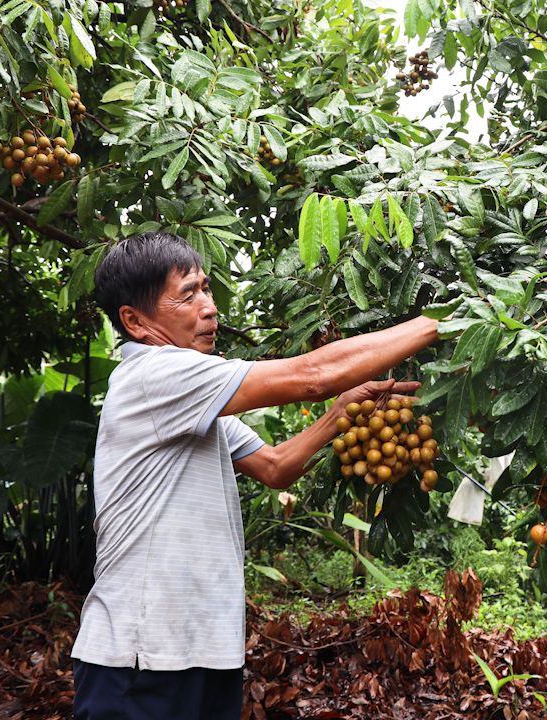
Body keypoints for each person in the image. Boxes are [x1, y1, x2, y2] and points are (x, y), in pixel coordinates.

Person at [71, 232, 438, 719]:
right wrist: (441, 322)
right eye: (188, 295)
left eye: (207, 288)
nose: (209, 307)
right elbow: (313, 375)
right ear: (135, 322)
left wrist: (342, 412)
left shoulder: (194, 395)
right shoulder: (156, 375)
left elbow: (275, 467)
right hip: (141, 659)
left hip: (200, 653)